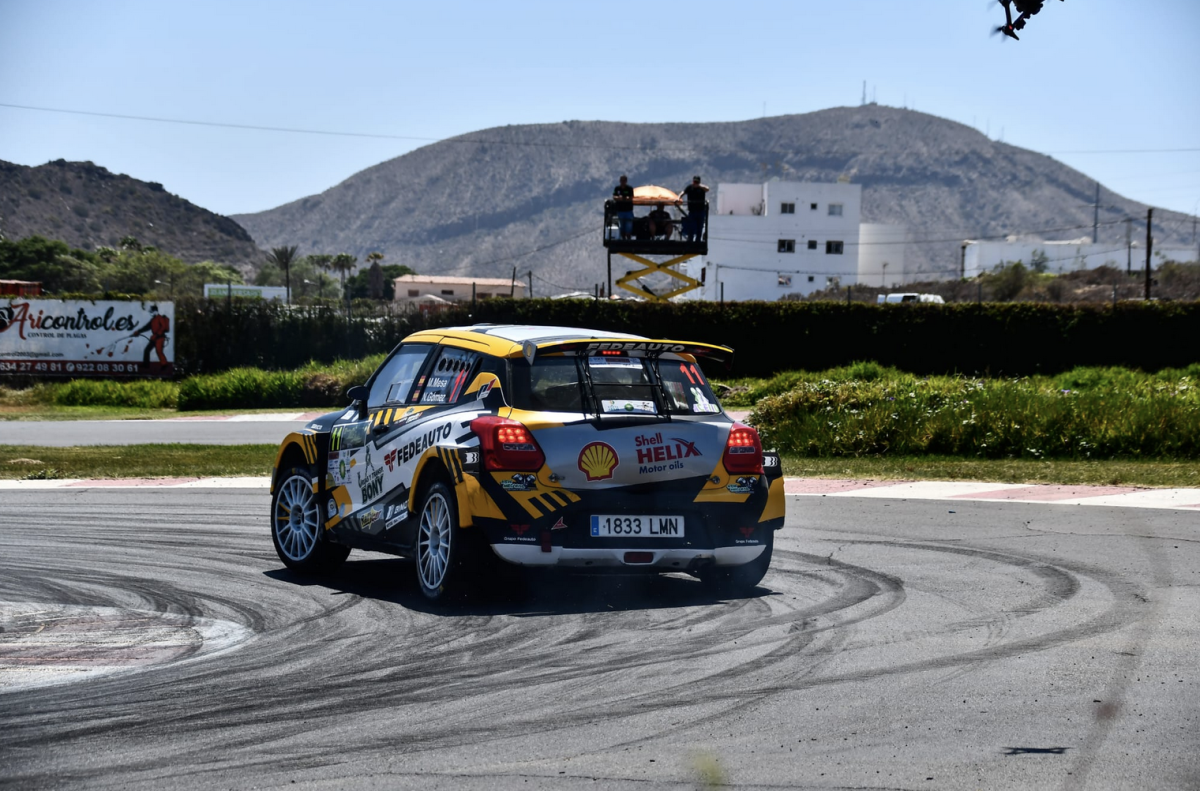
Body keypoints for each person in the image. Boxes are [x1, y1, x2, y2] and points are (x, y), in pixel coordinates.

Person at [680, 175, 709, 241]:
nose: (695, 183)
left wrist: (700, 186)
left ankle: (697, 241)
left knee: (699, 227)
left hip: (700, 211)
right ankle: (690, 240)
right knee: (691, 227)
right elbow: (683, 192)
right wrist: (679, 197)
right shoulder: (690, 187)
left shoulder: (702, 188)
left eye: (697, 182)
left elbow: (707, 189)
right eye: (694, 182)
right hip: (692, 211)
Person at [612, 175, 635, 240]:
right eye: (621, 180)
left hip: (628, 211)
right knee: (621, 225)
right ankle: (623, 238)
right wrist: (619, 198)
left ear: (626, 181)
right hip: (620, 211)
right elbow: (614, 196)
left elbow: (631, 197)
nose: (623, 182)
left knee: (629, 224)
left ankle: (628, 238)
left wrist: (625, 199)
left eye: (624, 180)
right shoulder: (617, 188)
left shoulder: (629, 188)